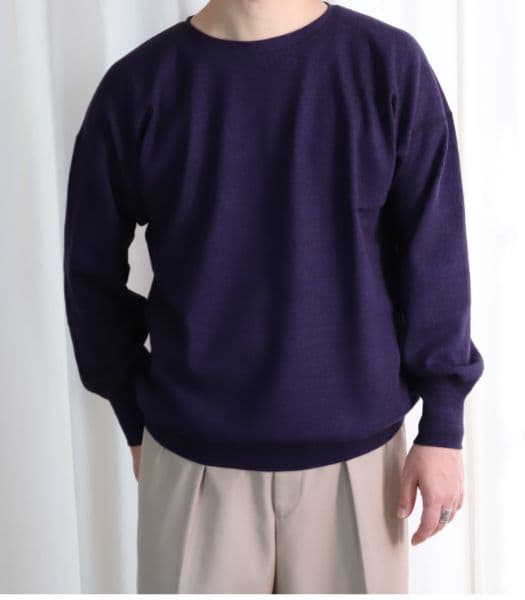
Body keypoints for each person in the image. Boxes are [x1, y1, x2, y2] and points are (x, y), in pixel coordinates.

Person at [63, 0, 485, 593]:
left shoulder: (388, 66)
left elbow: (435, 255)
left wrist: (443, 424)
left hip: (360, 465)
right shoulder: (138, 88)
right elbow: (89, 273)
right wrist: (134, 416)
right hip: (191, 462)